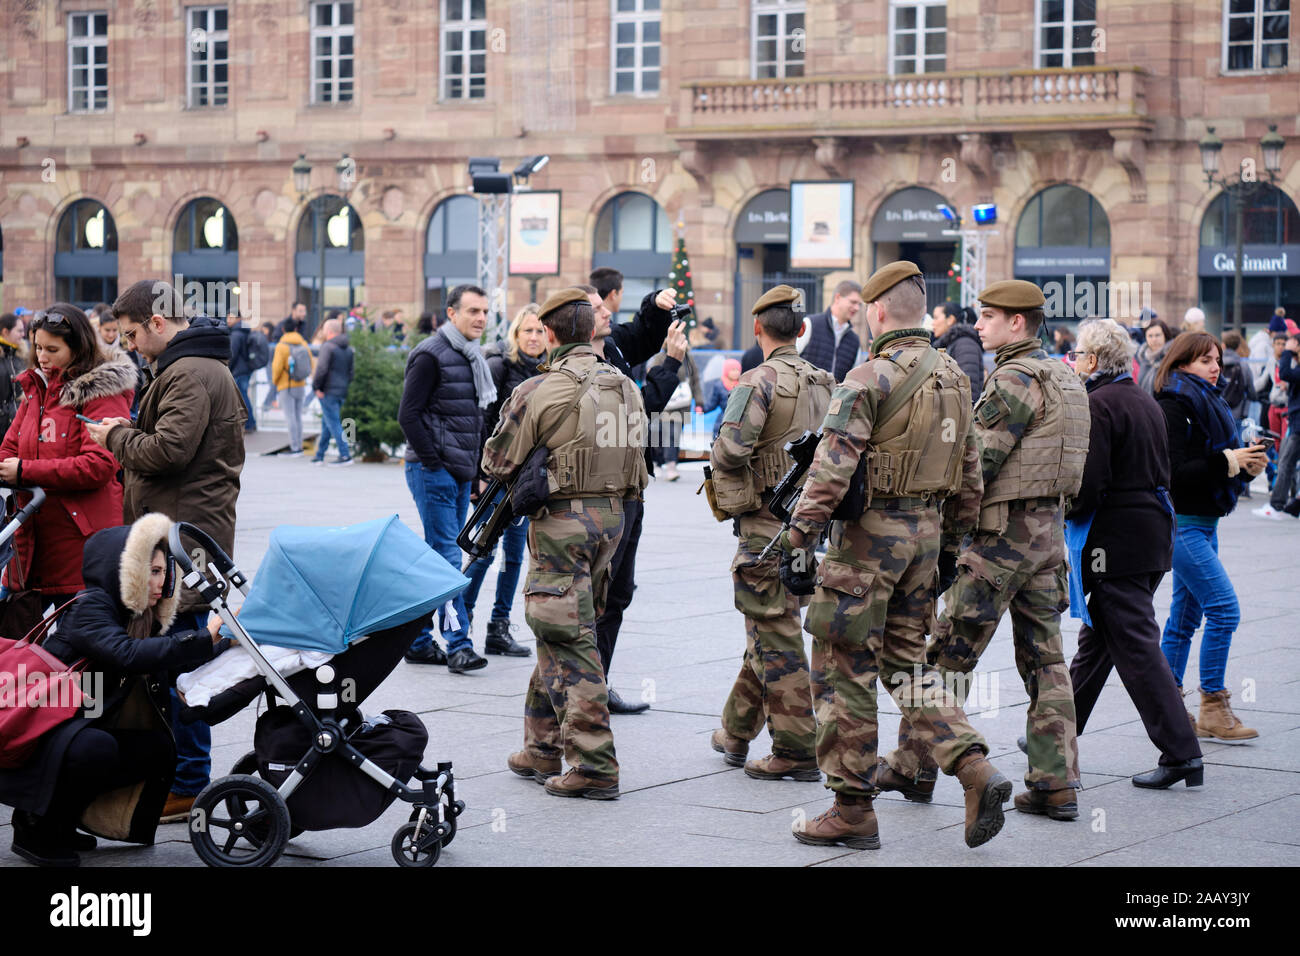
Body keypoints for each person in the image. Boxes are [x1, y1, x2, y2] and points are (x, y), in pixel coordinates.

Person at [781, 261, 1010, 850]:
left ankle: (851, 808)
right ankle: (974, 767)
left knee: (841, 664)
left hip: (867, 543)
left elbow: (832, 469)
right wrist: (953, 543)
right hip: (926, 538)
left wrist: (799, 536)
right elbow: (969, 473)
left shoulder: (867, 377)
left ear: (878, 311)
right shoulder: (957, 378)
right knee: (910, 665)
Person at [879, 279, 1089, 821]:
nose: (979, 324)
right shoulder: (1067, 377)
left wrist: (946, 529)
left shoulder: (1015, 379)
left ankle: (914, 764)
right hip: (1050, 540)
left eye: (989, 316)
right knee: (1046, 660)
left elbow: (979, 460)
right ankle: (1055, 783)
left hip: (1001, 541)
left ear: (1017, 322)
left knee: (947, 654)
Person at [85, 279, 247, 823]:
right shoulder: (191, 367)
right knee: (175, 654)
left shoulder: (191, 372)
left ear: (157, 323)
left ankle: (189, 781)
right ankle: (182, 774)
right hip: (184, 531)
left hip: (186, 537)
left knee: (180, 659)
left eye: (131, 334)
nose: (129, 345)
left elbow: (168, 452)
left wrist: (115, 437)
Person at [486, 288, 649, 799]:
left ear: (551, 335)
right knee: (563, 625)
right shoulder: (626, 386)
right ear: (592, 330)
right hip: (613, 520)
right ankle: (541, 746)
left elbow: (496, 463)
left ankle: (595, 764)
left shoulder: (538, 390)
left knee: (568, 634)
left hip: (563, 522)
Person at [0, 514, 230, 866]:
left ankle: (63, 818)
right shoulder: (90, 606)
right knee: (96, 747)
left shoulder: (140, 616)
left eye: (164, 570)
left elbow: (168, 664)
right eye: (152, 571)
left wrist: (228, 643)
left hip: (78, 719)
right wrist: (202, 637)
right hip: (42, 724)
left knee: (157, 750)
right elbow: (128, 654)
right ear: (124, 571)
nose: (162, 579)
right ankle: (35, 827)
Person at [1065, 320, 1204, 790]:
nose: (1074, 362)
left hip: (1115, 543)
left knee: (1139, 648)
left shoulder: (1099, 404)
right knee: (1099, 640)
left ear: (1093, 360)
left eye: (1078, 354)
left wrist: (1063, 505)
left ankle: (1182, 752)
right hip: (1150, 534)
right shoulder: (1142, 398)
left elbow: (1090, 486)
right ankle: (1056, 732)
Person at [706, 286, 834, 781]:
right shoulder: (827, 382)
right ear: (801, 330)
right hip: (809, 525)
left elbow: (731, 450)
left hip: (764, 526)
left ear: (758, 328)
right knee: (769, 625)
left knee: (775, 635)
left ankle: (798, 750)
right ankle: (735, 732)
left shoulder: (758, 381)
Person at [1155, 332, 1266, 742]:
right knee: (1224, 609)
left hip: (1205, 523)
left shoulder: (1208, 400)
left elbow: (1213, 468)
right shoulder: (1172, 404)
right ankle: (1213, 706)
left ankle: (1169, 711)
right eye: (1205, 360)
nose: (1215, 367)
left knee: (1184, 621)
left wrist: (1243, 466)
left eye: (1216, 359)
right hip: (1182, 526)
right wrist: (1227, 461)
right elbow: (1175, 473)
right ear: (1182, 363)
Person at [586, 269, 681, 714]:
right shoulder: (587, 366)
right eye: (599, 308)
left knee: (618, 593)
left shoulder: (613, 345)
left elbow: (642, 332)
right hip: (602, 493)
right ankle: (580, 692)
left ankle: (597, 684)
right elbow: (638, 410)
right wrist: (670, 367)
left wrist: (655, 305)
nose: (608, 310)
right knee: (593, 597)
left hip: (631, 489)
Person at [0, 304, 135, 612]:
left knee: (79, 647)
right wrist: (15, 467)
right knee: (26, 651)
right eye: (37, 348)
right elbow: (9, 447)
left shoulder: (101, 392)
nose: (42, 357)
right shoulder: (36, 390)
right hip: (34, 539)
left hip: (83, 542)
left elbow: (100, 465)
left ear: (77, 349)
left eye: (52, 349)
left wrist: (25, 471)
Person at [398, 284, 493, 673]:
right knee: (448, 557)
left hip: (457, 471)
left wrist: (472, 473)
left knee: (436, 556)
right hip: (432, 470)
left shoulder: (472, 357)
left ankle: (418, 642)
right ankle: (459, 644)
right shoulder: (430, 355)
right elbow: (409, 414)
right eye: (472, 311)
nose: (481, 318)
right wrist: (434, 462)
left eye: (485, 312)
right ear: (451, 314)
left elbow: (471, 421)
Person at [461, 304, 545, 658]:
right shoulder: (500, 366)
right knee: (482, 553)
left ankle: (498, 628)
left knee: (514, 558)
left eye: (540, 331)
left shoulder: (549, 372)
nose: (534, 337)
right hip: (496, 480)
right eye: (527, 330)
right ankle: (460, 627)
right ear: (516, 333)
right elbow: (481, 424)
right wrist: (478, 477)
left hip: (525, 481)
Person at [1254, 334, 1300, 518]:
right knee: (1289, 462)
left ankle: (1276, 505)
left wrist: (1288, 351)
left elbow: (1286, 373)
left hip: (1298, 422)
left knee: (1286, 462)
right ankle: (1292, 503)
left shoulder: (1291, 361)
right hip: (1295, 419)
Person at [310, 317, 356, 466]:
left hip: (328, 390)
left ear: (328, 331)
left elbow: (321, 369)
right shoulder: (348, 349)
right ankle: (320, 455)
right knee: (327, 422)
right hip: (341, 390)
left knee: (334, 423)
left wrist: (316, 387)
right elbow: (351, 373)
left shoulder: (328, 347)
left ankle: (345, 455)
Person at [800, 280, 863, 382]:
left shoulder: (855, 341)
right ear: (837, 298)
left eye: (859, 304)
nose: (857, 308)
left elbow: (855, 380)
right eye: (853, 302)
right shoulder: (809, 324)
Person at [271, 317, 312, 457]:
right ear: (296, 329)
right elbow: (310, 364)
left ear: (283, 330)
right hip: (300, 384)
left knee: (290, 417)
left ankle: (295, 448)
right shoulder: (304, 344)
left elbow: (277, 367)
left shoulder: (281, 346)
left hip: (285, 385)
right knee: (298, 416)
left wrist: (275, 382)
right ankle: (299, 446)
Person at [931, 299, 986, 403]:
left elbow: (969, 390)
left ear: (950, 319)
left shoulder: (965, 344)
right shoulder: (951, 343)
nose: (932, 323)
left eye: (936, 318)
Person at [698, 358, 742, 441]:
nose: (736, 372)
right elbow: (713, 403)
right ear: (726, 371)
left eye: (738, 370)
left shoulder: (743, 385)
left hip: (739, 420)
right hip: (724, 418)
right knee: (718, 438)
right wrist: (702, 409)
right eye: (733, 370)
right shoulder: (719, 386)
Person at [0, 313, 26, 439]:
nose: (23, 335)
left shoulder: (20, 357)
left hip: (17, 426)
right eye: (19, 331)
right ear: (5, 332)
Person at [1135, 318, 1173, 394]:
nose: (1154, 339)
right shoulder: (1142, 358)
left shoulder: (1172, 357)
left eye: (1158, 335)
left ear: (1165, 335)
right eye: (1150, 336)